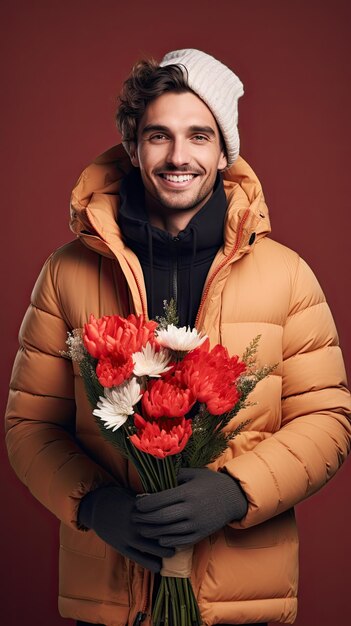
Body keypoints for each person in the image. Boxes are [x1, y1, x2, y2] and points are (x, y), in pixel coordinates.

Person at [5, 48, 351, 626]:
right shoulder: (66, 272)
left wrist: (238, 492)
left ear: (222, 154)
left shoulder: (287, 275)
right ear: (133, 147)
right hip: (114, 597)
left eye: (198, 136)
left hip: (244, 600)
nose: (178, 156)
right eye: (158, 135)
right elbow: (29, 425)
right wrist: (94, 504)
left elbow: (328, 418)